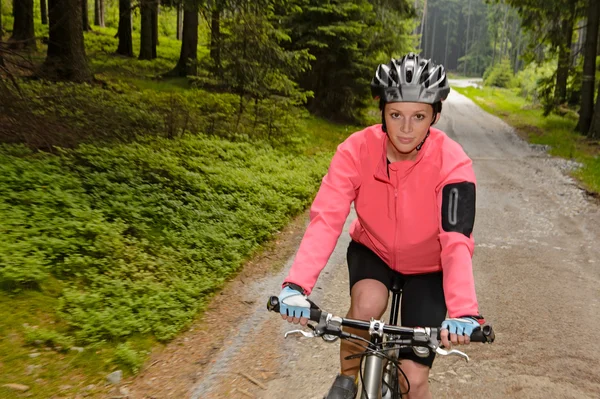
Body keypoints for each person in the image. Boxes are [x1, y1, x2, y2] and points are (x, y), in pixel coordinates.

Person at [277, 53, 485, 399]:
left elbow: (456, 240)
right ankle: (347, 380)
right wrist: (296, 285)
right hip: (373, 251)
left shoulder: (454, 163)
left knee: (414, 381)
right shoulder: (355, 150)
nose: (406, 128)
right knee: (366, 306)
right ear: (382, 113)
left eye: (418, 116)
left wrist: (463, 310)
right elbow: (327, 219)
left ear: (435, 114)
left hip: (429, 268)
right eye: (396, 115)